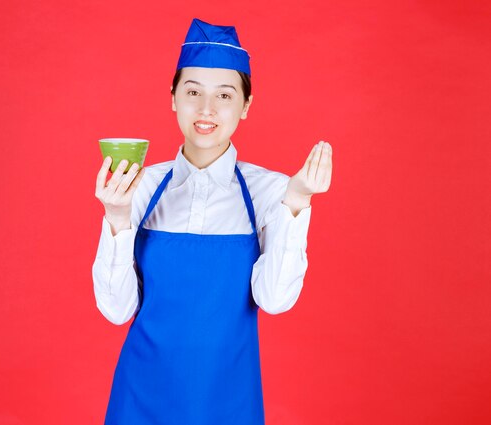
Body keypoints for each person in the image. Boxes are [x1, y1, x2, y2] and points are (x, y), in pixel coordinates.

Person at [92, 17, 332, 425]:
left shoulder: (270, 191)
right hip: (140, 397)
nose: (206, 109)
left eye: (224, 94)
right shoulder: (142, 186)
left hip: (229, 400)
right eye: (192, 92)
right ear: (172, 97)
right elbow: (117, 311)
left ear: (246, 104)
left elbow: (274, 300)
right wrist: (116, 216)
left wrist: (298, 202)